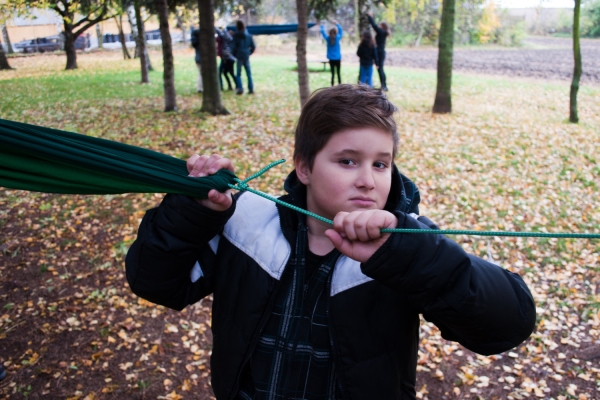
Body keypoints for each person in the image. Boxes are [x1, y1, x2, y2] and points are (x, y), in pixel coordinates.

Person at [125, 84, 536, 399]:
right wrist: (193, 213)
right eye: (347, 161)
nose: (367, 179)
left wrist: (415, 257)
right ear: (304, 167)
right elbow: (155, 282)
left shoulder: (407, 246)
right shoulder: (247, 223)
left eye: (381, 164)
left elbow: (506, 326)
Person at [230, 20, 256, 95]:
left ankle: (240, 88)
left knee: (238, 73)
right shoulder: (249, 35)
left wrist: (234, 54)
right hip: (246, 55)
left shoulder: (236, 35)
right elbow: (253, 46)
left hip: (239, 55)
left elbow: (233, 46)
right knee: (248, 73)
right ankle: (251, 89)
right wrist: (249, 53)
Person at [368, 12, 390, 91]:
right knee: (380, 69)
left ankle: (384, 85)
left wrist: (370, 16)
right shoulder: (383, 33)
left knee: (380, 69)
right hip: (380, 52)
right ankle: (383, 85)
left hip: (380, 53)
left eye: (380, 25)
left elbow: (374, 26)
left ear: (383, 26)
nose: (379, 26)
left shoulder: (381, 32)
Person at [320, 20, 343, 86]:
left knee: (332, 74)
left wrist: (322, 25)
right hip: (337, 58)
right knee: (338, 73)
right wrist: (337, 24)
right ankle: (340, 86)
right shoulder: (338, 38)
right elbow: (341, 31)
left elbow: (323, 32)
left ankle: (332, 86)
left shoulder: (328, 39)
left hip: (331, 59)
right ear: (336, 33)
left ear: (329, 33)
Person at [190, 27, 202, 93]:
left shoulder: (195, 43)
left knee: (200, 73)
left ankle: (200, 87)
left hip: (197, 59)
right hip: (201, 59)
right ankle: (200, 87)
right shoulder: (200, 43)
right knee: (202, 73)